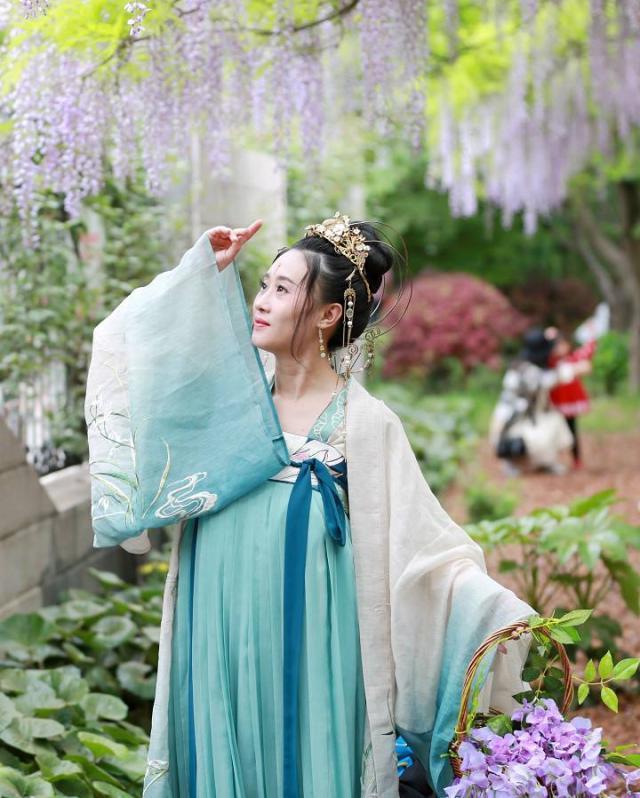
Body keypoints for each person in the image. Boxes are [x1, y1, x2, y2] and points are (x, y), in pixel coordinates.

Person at [86, 214, 532, 798]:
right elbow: (124, 346)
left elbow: (422, 549)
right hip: (214, 608)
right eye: (263, 285)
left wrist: (490, 608)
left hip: (314, 629)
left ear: (327, 314)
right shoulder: (228, 399)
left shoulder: (364, 423)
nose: (260, 301)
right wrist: (197, 274)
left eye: (282, 289)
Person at [490, 327, 591, 476]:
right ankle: (517, 462)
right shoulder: (527, 372)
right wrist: (575, 369)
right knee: (553, 423)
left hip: (519, 421)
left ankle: (543, 461)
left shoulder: (520, 365)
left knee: (554, 419)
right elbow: (547, 379)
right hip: (510, 426)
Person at [549, 333, 596, 470]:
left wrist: (592, 333)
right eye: (557, 346)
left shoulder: (573, 358)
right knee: (554, 431)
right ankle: (552, 459)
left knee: (572, 430)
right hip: (556, 402)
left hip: (569, 402)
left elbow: (587, 351)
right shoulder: (551, 361)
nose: (560, 348)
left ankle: (576, 459)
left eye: (563, 345)